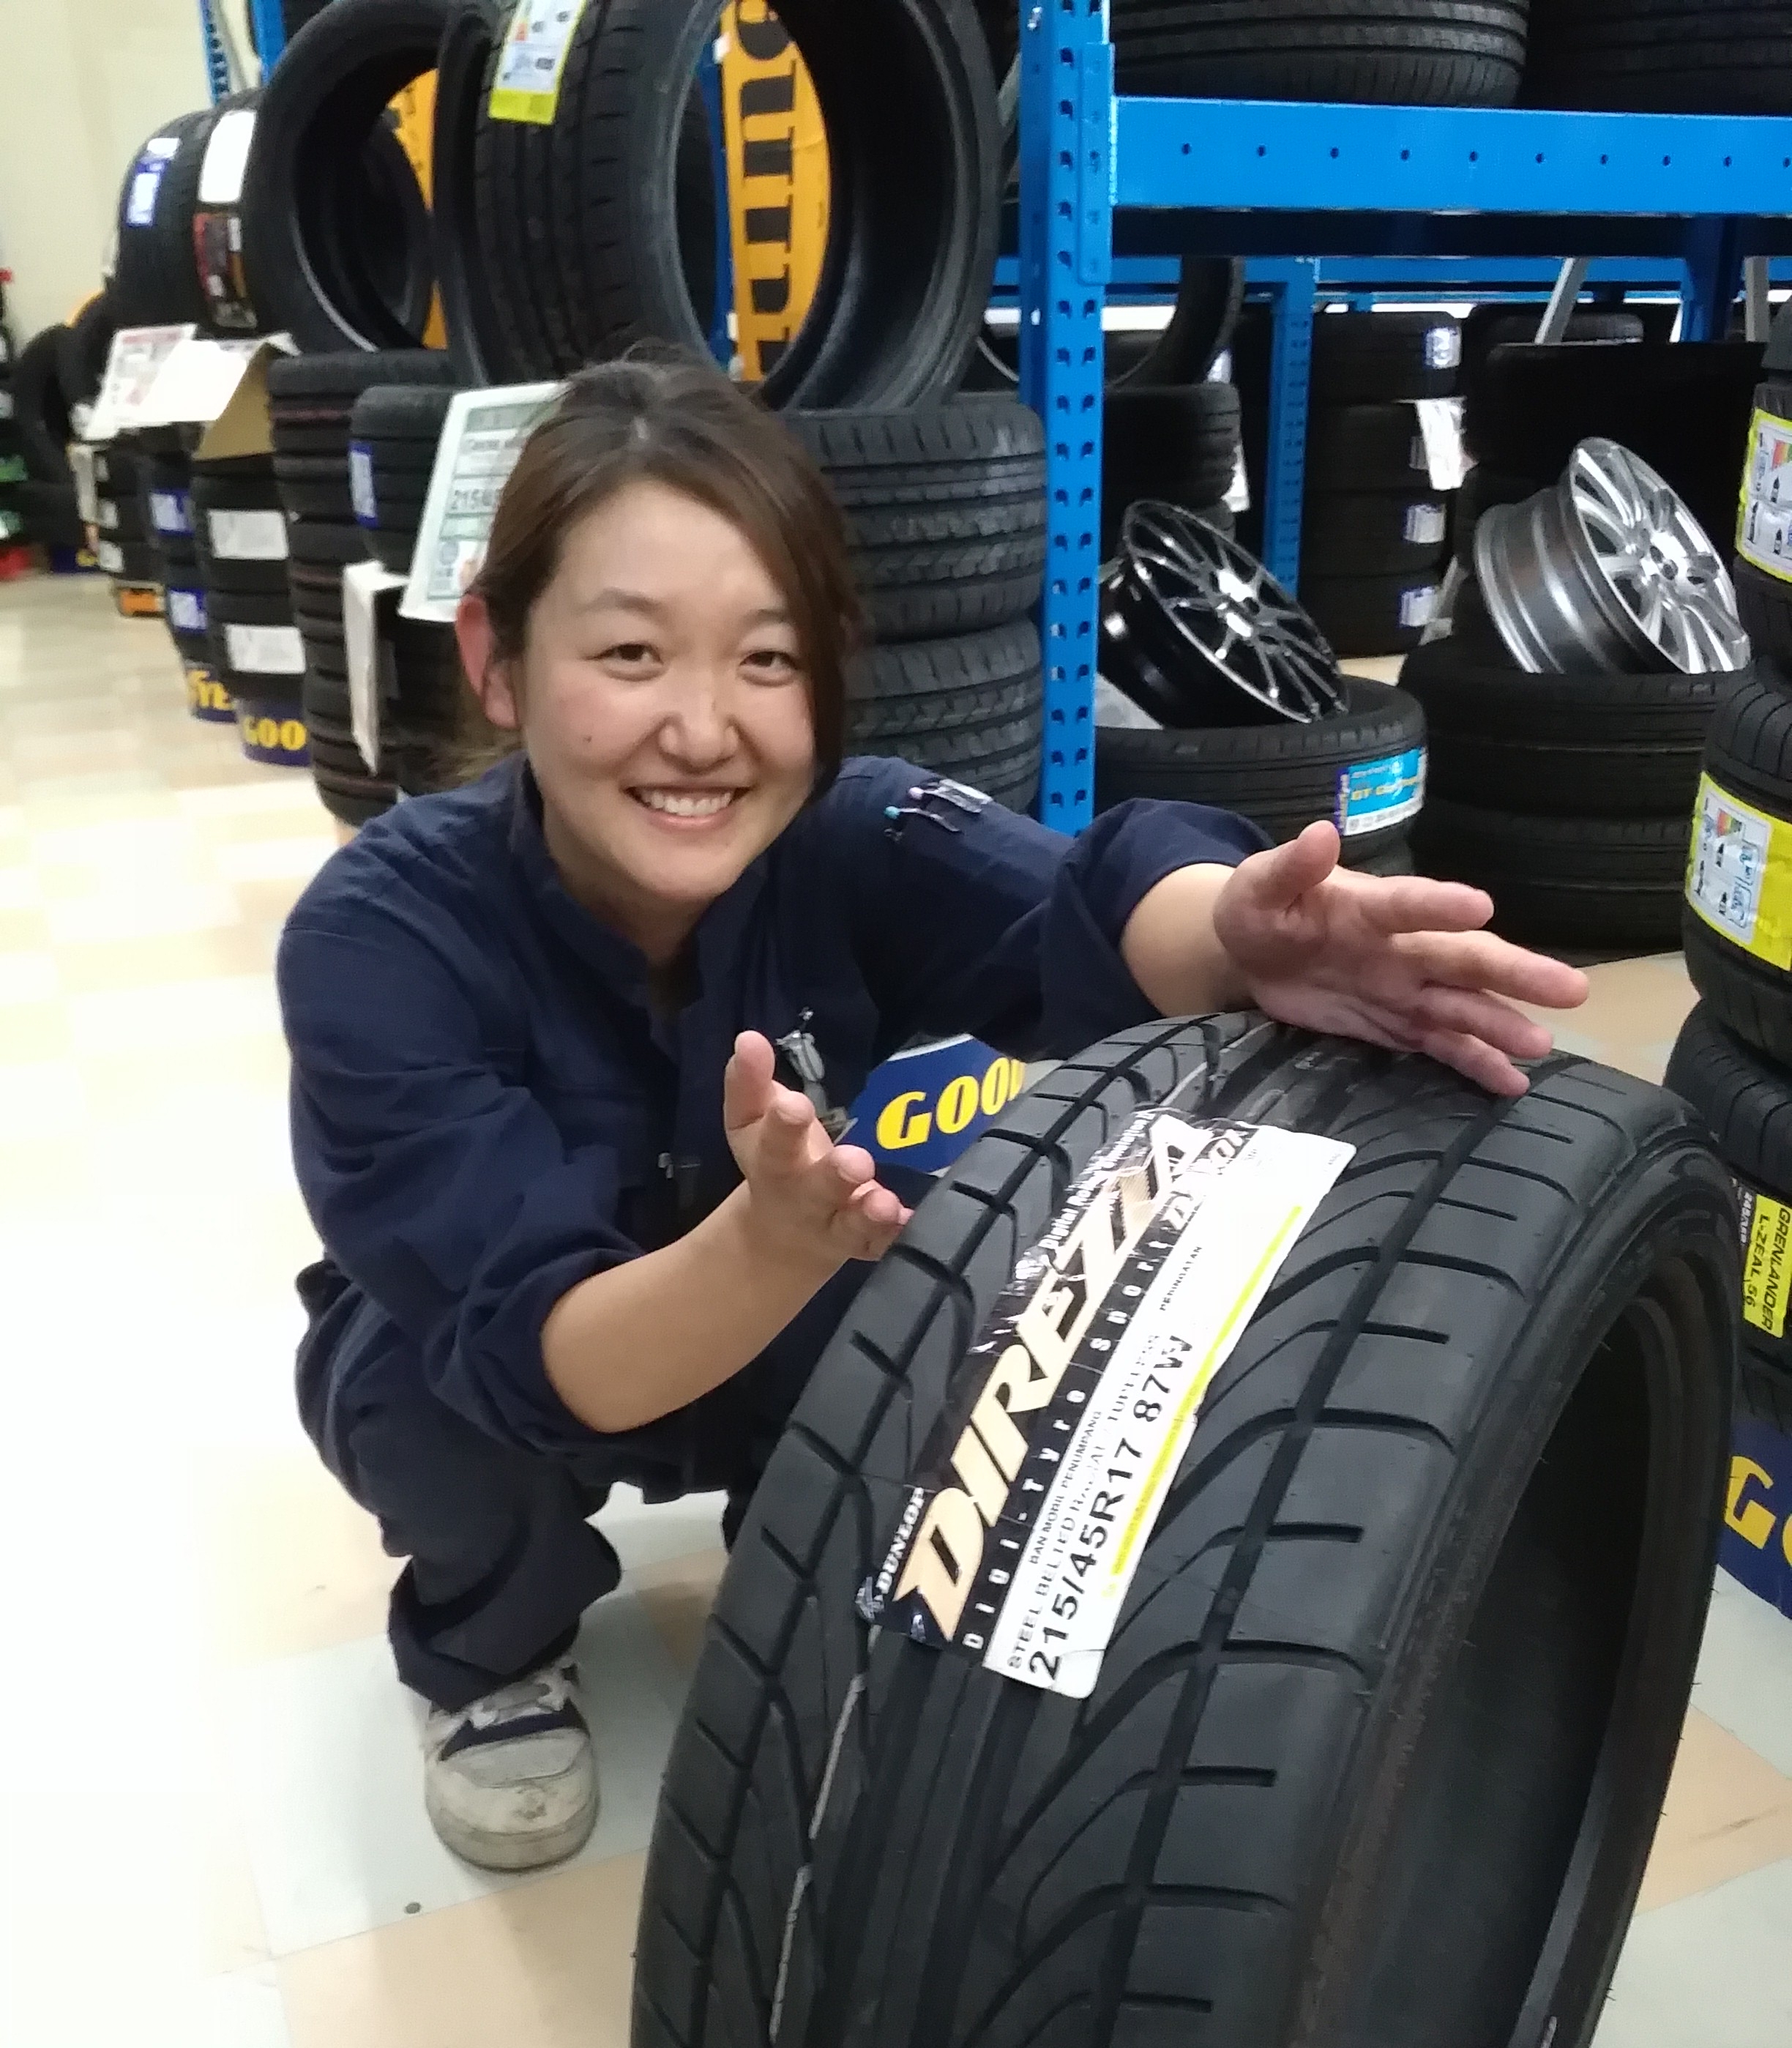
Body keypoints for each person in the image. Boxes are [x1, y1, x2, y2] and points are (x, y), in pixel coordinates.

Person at [277, 355, 1586, 1874]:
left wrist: (1237, 930)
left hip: (779, 1297)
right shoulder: (380, 936)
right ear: (496, 660)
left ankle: (794, 1567)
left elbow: (1080, 906)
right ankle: (493, 1645)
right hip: (526, 1373)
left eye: (768, 660)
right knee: (415, 1397)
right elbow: (540, 1349)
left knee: (946, 1299)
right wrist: (765, 1246)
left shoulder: (854, 831)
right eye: (630, 654)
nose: (702, 729)